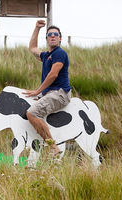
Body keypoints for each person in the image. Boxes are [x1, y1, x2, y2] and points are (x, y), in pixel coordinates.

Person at [23, 20, 72, 156]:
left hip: (60, 93)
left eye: (55, 34)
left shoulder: (59, 53)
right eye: (50, 34)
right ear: (47, 39)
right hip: (50, 93)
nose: (52, 36)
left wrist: (38, 91)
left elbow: (53, 74)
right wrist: (37, 28)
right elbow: (32, 48)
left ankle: (53, 146)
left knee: (32, 113)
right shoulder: (46, 56)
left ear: (60, 38)